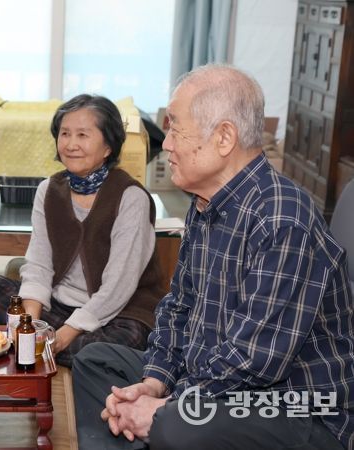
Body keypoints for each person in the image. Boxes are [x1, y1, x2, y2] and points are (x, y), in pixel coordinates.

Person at [72, 64, 353, 450]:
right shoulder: (205, 203)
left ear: (224, 137)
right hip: (216, 379)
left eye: (176, 129)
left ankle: (150, 428)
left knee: (178, 425)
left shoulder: (283, 219)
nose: (166, 144)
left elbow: (253, 360)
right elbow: (178, 307)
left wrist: (167, 407)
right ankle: (145, 426)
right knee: (95, 361)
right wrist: (154, 382)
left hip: (293, 405)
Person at [0, 94, 166, 367]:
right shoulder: (48, 190)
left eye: (83, 135)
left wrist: (63, 336)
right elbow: (38, 265)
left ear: (108, 146)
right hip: (59, 308)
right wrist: (29, 324)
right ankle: (41, 346)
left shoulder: (131, 197)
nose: (71, 144)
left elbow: (119, 286)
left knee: (121, 342)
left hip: (118, 313)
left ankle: (44, 348)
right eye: (65, 134)